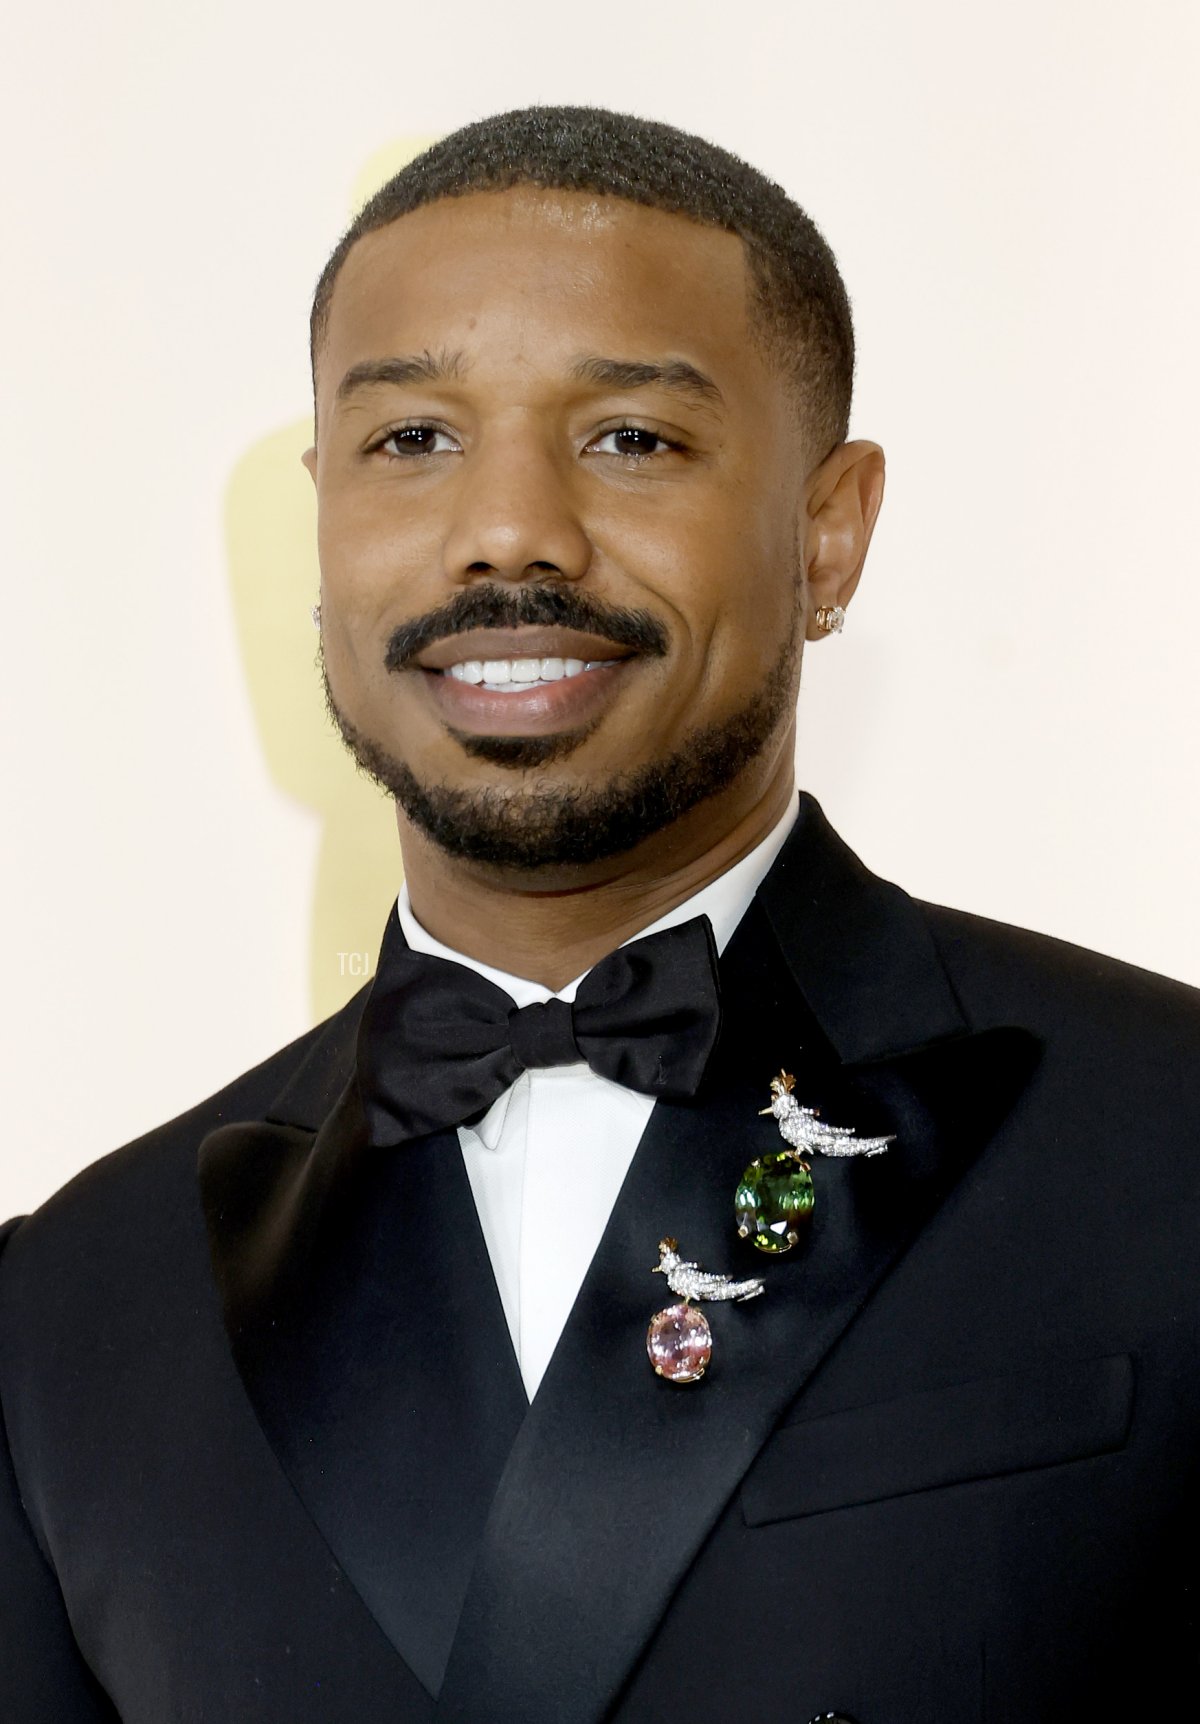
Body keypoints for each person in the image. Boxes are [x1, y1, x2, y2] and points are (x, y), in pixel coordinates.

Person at [0, 106, 1195, 1724]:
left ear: (827, 529)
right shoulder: (70, 1307)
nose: (508, 532)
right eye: (410, 439)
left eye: (631, 438)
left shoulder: (1159, 1135)